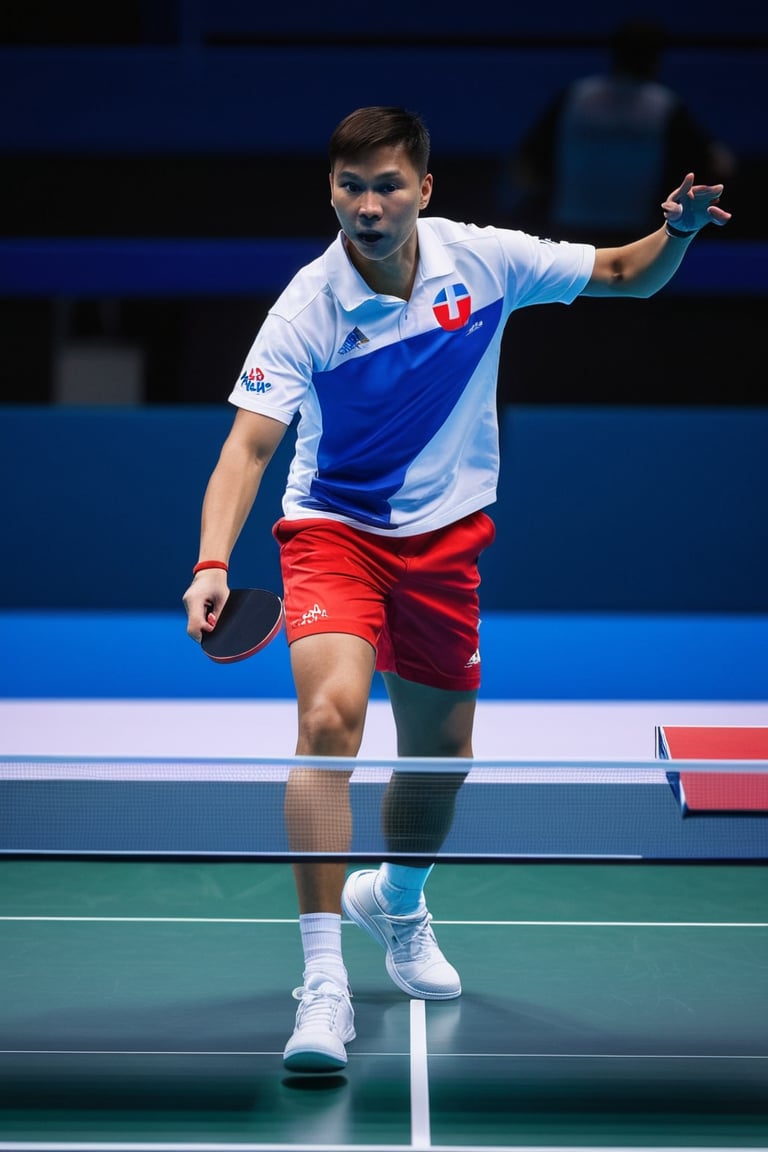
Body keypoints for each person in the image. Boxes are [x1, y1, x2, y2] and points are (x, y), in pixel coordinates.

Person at [183, 105, 730, 1073]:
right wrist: (213, 563)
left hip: (445, 545)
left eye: (387, 185)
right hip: (334, 532)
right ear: (332, 193)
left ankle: (396, 901)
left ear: (424, 191)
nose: (368, 205)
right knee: (329, 719)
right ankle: (323, 988)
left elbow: (621, 276)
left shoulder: (482, 263)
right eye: (351, 187)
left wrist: (677, 232)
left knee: (441, 761)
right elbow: (248, 449)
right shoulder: (307, 307)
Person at [502, 19, 736, 243]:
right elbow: (720, 163)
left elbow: (525, 165)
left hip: (574, 226)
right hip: (633, 231)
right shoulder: (666, 105)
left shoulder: (575, 96)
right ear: (656, 58)